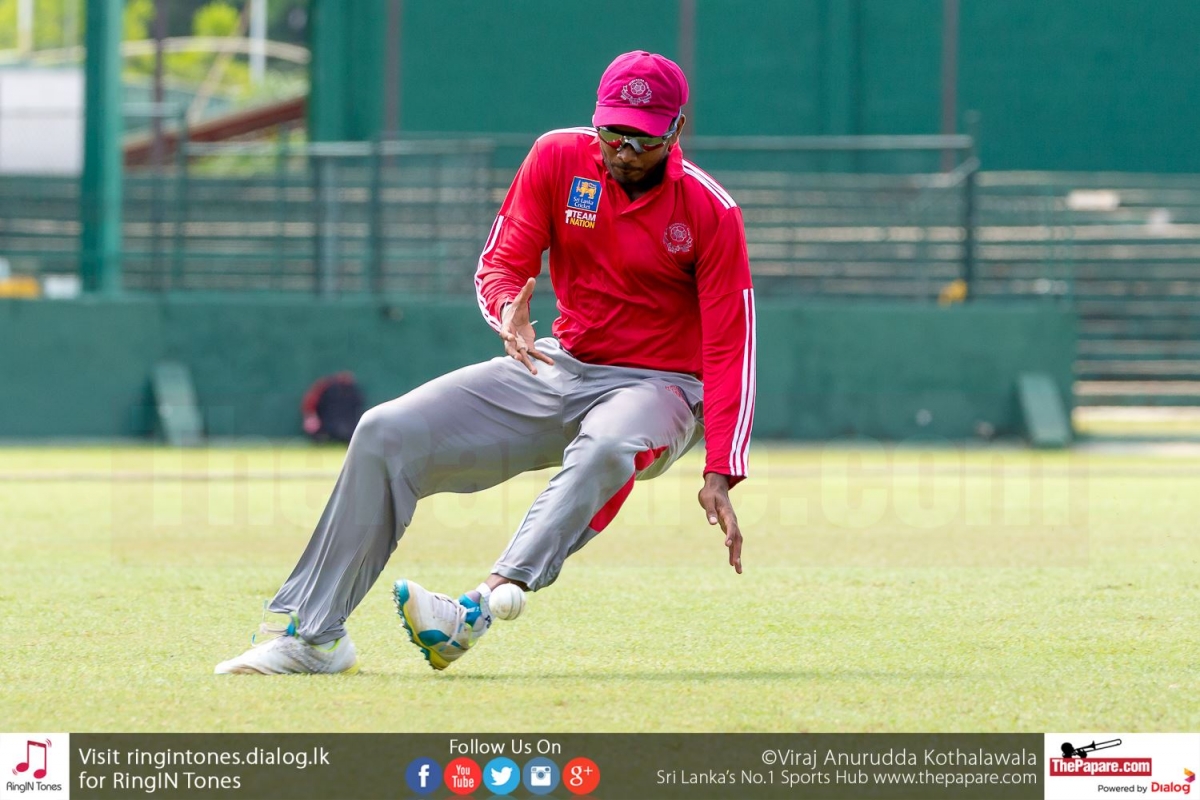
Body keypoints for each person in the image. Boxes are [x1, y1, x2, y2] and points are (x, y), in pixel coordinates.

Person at [215, 50, 756, 675]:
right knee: (383, 431)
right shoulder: (556, 157)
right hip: (561, 366)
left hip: (662, 388)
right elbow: (501, 263)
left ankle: (477, 606)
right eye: (613, 133)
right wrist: (507, 312)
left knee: (609, 444)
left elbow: (732, 347)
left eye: (644, 138)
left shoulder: (712, 212)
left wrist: (721, 468)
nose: (625, 151)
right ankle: (315, 638)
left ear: (677, 129)